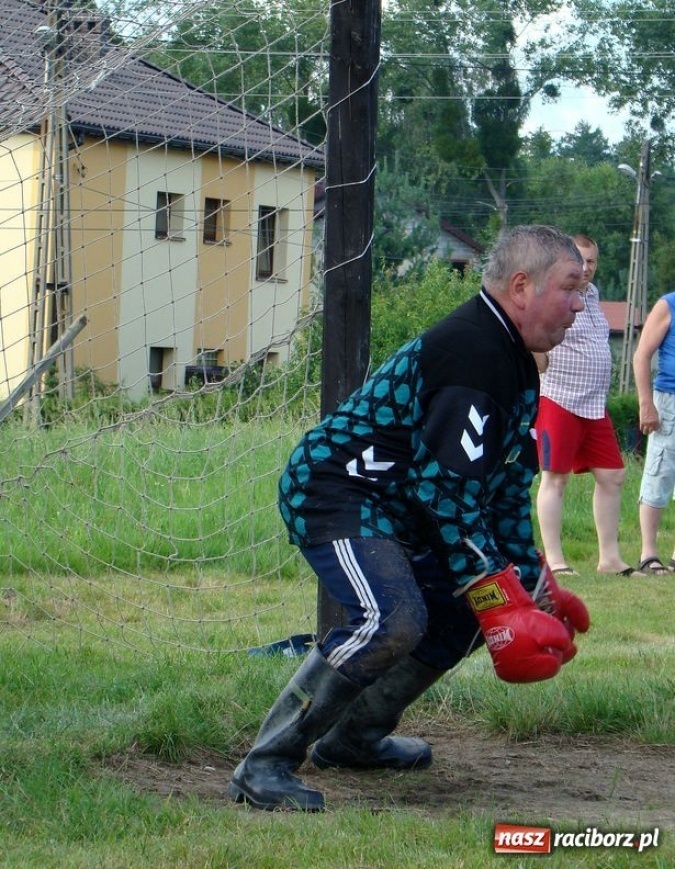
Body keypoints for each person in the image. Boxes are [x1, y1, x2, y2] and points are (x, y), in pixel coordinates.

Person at [228, 225, 590, 813]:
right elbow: (442, 491)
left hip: (400, 508)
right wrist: (499, 589)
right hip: (337, 490)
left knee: (468, 610)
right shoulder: (472, 351)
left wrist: (533, 585)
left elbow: (502, 493)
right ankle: (265, 763)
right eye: (571, 288)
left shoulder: (514, 361)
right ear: (522, 287)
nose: (580, 305)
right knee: (393, 618)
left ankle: (355, 740)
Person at [533, 234, 640, 577]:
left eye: (591, 261)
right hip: (559, 397)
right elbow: (532, 333)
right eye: (580, 260)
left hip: (594, 403)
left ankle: (609, 559)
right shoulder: (552, 293)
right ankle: (555, 560)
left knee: (613, 475)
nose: (586, 267)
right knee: (555, 478)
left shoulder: (592, 295)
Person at [634, 293, 675, 574]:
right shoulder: (668, 304)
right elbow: (641, 356)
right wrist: (646, 403)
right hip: (669, 400)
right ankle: (648, 553)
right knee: (659, 472)